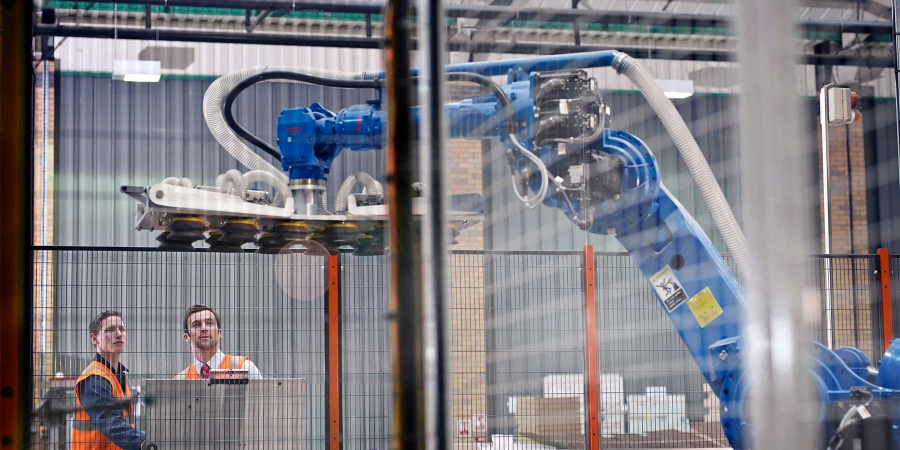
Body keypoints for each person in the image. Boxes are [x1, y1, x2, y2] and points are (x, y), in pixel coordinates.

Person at [72, 310, 145, 450]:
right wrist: (146, 443)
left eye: (121, 329)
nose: (118, 334)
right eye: (110, 330)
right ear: (95, 339)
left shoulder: (118, 377)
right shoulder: (94, 378)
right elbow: (112, 425)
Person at [174, 304, 262, 379]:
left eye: (209, 323)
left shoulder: (243, 367)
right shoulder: (181, 379)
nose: (204, 328)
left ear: (219, 333)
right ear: (186, 337)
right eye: (196, 325)